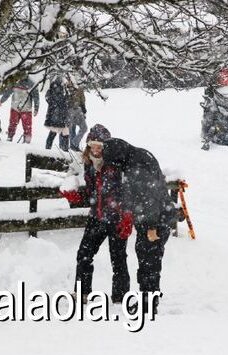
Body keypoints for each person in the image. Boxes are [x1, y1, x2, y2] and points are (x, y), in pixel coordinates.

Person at [101, 138, 177, 314]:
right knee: (149, 261)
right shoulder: (138, 156)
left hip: (154, 222)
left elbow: (148, 198)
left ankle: (148, 304)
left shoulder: (137, 165)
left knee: (149, 263)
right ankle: (148, 300)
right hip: (157, 218)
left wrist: (151, 227)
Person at [61, 125, 131, 304]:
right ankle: (82, 292)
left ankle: (120, 295)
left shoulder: (117, 165)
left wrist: (127, 216)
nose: (95, 149)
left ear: (106, 146)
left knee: (118, 258)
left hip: (117, 218)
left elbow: (129, 192)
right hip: (97, 217)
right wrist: (75, 196)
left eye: (99, 146)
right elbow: (91, 194)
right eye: (92, 145)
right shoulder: (89, 164)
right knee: (84, 253)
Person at [0, 77, 40, 143]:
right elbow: (7, 93)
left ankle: (27, 141)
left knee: (27, 126)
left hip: (26, 110)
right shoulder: (14, 81)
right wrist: (1, 101)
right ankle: (9, 138)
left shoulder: (32, 84)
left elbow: (36, 97)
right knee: (12, 124)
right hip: (15, 108)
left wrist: (36, 108)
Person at [44, 77, 70, 151]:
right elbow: (50, 99)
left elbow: (65, 101)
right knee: (57, 132)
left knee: (59, 132)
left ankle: (63, 150)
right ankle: (63, 150)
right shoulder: (56, 90)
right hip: (56, 115)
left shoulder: (62, 89)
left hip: (59, 115)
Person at [66, 80, 88, 152]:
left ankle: (74, 144)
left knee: (82, 128)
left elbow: (82, 100)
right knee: (73, 129)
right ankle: (74, 146)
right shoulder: (66, 87)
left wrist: (83, 110)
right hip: (70, 110)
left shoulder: (79, 87)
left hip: (77, 110)